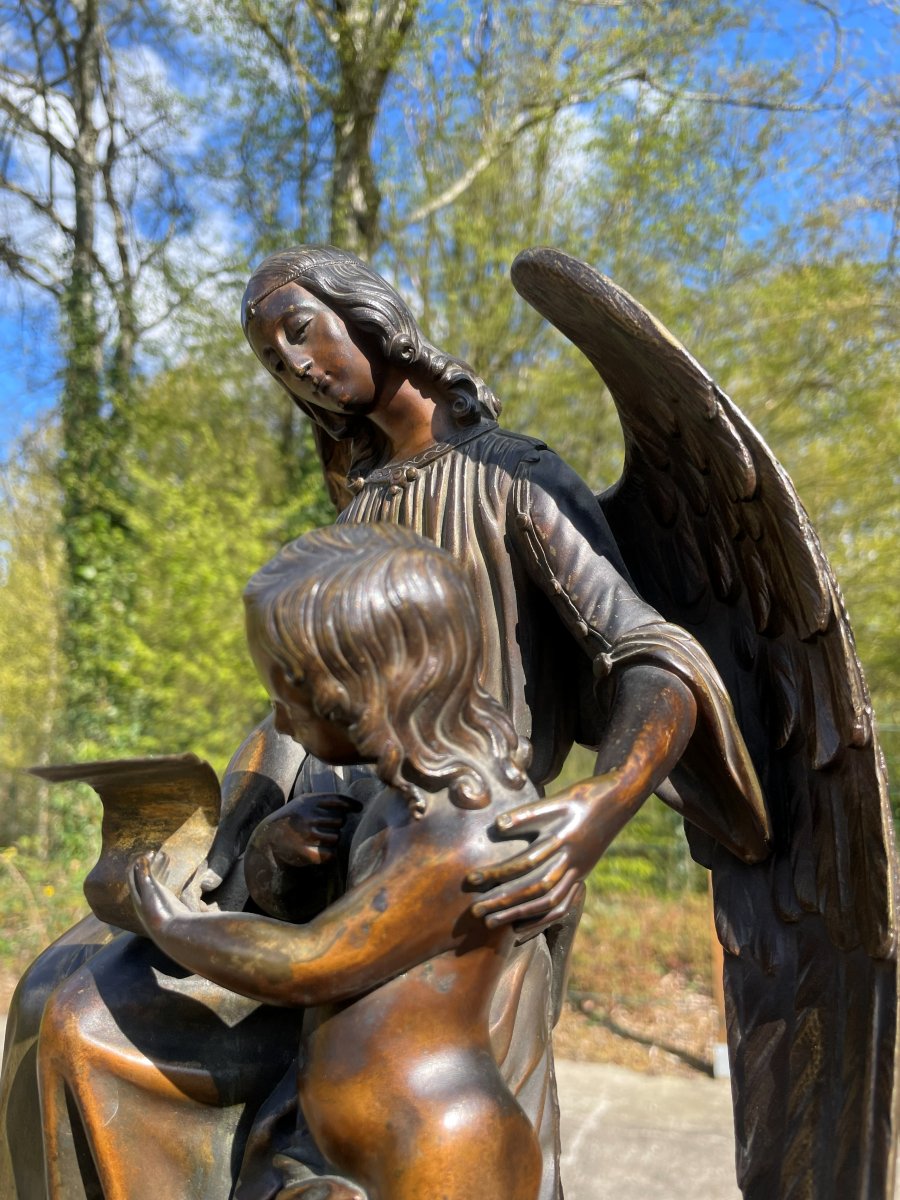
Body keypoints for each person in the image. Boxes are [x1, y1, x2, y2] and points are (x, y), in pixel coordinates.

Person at [1, 245, 768, 1200]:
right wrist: (268, 841)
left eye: (301, 330)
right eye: (274, 361)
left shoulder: (512, 479)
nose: (298, 366)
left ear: (367, 314)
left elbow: (656, 658)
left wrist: (596, 810)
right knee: (63, 1011)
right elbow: (306, 709)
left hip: (461, 874)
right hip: (338, 864)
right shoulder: (360, 500)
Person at [131, 522, 544, 1200]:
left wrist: (178, 926)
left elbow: (311, 962)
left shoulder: (467, 827)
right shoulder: (403, 795)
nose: (279, 721)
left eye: (290, 695)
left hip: (437, 1147)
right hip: (350, 1144)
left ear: (372, 690)